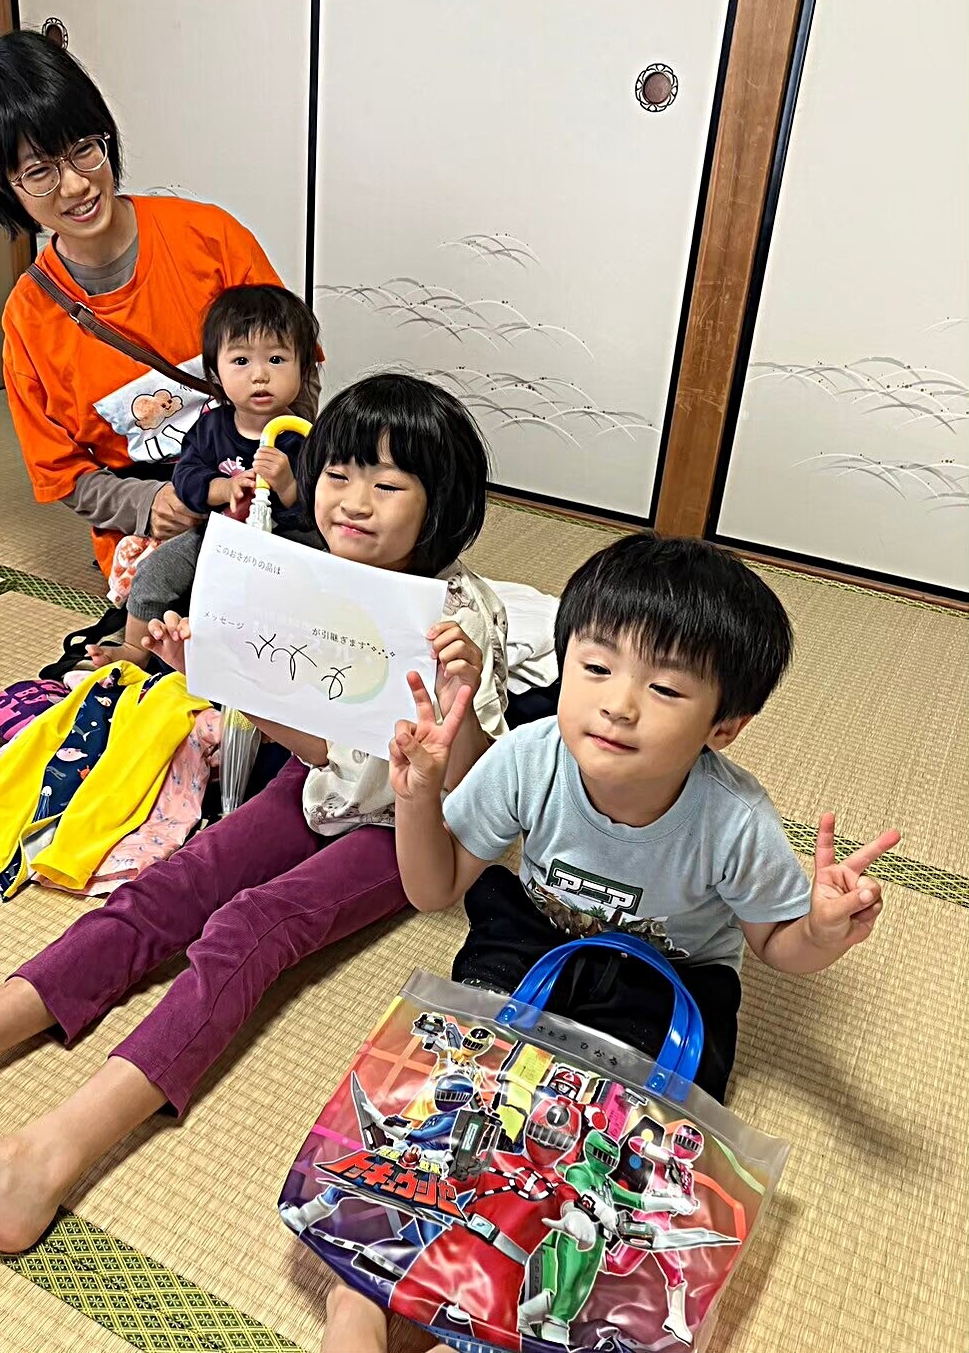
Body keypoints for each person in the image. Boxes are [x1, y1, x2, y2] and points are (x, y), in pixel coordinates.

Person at [0, 375, 508, 1256]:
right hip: (318, 784)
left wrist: (459, 702)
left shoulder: (459, 617)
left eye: (387, 484)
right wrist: (212, 674)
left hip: (402, 826)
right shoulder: (318, 579)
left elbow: (469, 788)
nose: (354, 501)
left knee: (253, 925)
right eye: (339, 474)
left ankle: (44, 1159)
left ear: (442, 505)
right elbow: (317, 746)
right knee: (171, 886)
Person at [318, 532, 901, 1352]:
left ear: (724, 725)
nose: (619, 703)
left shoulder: (733, 819)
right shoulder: (529, 758)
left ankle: (505, 1303)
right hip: (535, 939)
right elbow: (434, 887)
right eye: (594, 667)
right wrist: (417, 800)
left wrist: (823, 931)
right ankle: (365, 1288)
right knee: (458, 1098)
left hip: (667, 981)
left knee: (611, 1165)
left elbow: (778, 946)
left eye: (663, 687)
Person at [0, 30, 318, 581]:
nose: (76, 185)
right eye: (40, 172)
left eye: (84, 149)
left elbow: (299, 365)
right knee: (169, 612)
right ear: (0, 186)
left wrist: (279, 468)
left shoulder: (209, 238)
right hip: (155, 523)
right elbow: (62, 472)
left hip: (264, 487)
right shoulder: (29, 319)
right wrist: (148, 506)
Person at [90, 283, 317, 666]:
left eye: (277, 359)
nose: (260, 375)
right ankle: (134, 648)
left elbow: (321, 507)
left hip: (286, 542)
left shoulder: (305, 436)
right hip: (217, 535)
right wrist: (222, 488)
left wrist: (289, 486)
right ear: (216, 372)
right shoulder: (212, 427)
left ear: (303, 368)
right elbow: (187, 479)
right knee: (155, 572)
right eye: (241, 361)